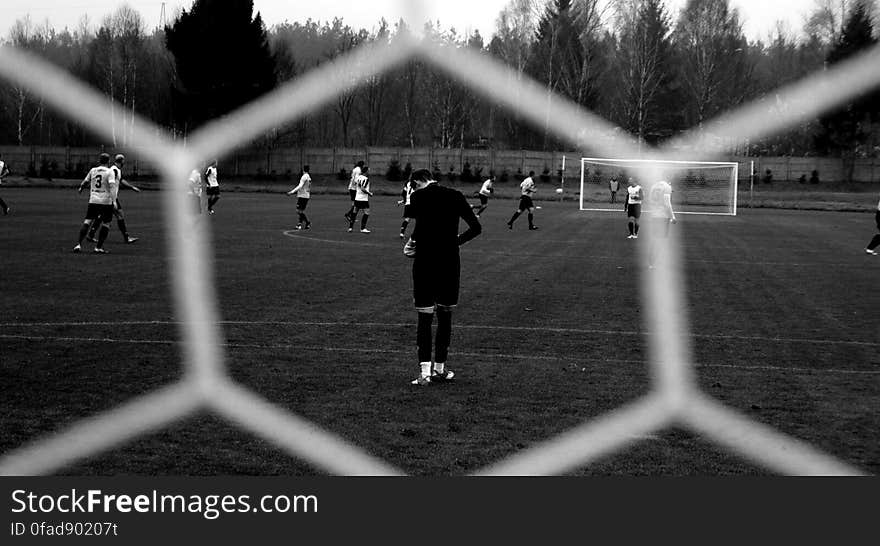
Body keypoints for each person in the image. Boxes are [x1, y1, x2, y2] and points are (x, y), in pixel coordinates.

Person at [403, 169, 482, 386]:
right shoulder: (455, 195)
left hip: (426, 261)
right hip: (449, 262)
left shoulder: (418, 196)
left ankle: (425, 373)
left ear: (418, 182)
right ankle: (440, 369)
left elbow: (418, 226)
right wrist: (455, 241)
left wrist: (410, 244)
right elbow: (476, 228)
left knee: (425, 317)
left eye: (414, 185)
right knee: (445, 315)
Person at [86, 154, 140, 244]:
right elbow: (111, 183)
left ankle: (91, 234)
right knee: (119, 215)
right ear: (121, 161)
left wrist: (132, 187)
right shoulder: (114, 170)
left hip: (108, 197)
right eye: (123, 161)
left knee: (102, 216)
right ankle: (126, 238)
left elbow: (121, 180)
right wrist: (112, 198)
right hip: (111, 197)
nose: (124, 163)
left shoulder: (116, 170)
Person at [73, 153, 118, 254]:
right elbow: (112, 186)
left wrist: (81, 188)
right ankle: (98, 247)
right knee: (106, 223)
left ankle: (78, 244)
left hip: (93, 200)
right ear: (109, 161)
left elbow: (85, 181)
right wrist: (114, 201)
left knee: (87, 221)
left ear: (99, 161)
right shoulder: (110, 171)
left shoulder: (93, 170)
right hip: (106, 201)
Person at [647, 180, 677, 269]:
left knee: (655, 240)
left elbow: (650, 201)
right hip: (663, 217)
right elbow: (667, 204)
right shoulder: (667, 187)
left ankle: (651, 262)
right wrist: (673, 217)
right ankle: (655, 263)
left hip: (654, 216)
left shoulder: (653, 186)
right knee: (660, 241)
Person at [287, 165, 312, 230]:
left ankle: (307, 222)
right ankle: (300, 224)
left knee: (298, 211)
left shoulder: (304, 177)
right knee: (301, 211)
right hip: (306, 195)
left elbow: (300, 186)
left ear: (303, 170)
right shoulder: (309, 177)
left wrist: (292, 192)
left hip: (302, 196)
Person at [349, 166, 372, 233]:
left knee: (354, 212)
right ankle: (363, 228)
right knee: (367, 213)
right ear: (366, 171)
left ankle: (350, 228)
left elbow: (354, 183)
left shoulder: (358, 177)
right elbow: (362, 189)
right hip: (363, 199)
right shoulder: (366, 179)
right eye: (368, 170)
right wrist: (369, 193)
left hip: (357, 198)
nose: (369, 172)